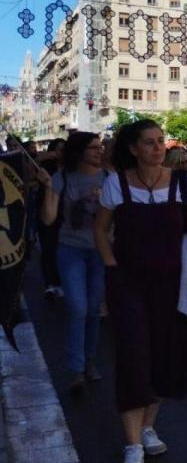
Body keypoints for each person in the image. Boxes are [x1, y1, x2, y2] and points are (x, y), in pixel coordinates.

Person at [93, 120, 187, 463]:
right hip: (128, 286)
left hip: (171, 285)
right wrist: (110, 263)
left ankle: (148, 427)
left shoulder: (181, 181)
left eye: (161, 141)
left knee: (164, 356)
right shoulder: (116, 184)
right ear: (133, 149)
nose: (158, 147)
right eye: (149, 142)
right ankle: (132, 444)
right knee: (132, 356)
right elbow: (100, 229)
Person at [39, 132, 107, 391]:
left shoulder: (110, 179)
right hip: (71, 252)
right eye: (94, 148)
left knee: (92, 309)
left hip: (100, 252)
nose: (99, 152)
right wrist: (47, 188)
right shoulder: (61, 178)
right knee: (78, 307)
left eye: (100, 148)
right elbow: (47, 219)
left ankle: (89, 361)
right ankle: (77, 368)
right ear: (80, 152)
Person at [37, 137, 66, 300]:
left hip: (65, 213)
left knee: (61, 248)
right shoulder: (46, 168)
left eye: (64, 149)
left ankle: (60, 280)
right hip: (46, 210)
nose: (61, 153)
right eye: (58, 149)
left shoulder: (72, 169)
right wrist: (41, 158)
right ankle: (50, 283)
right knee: (48, 247)